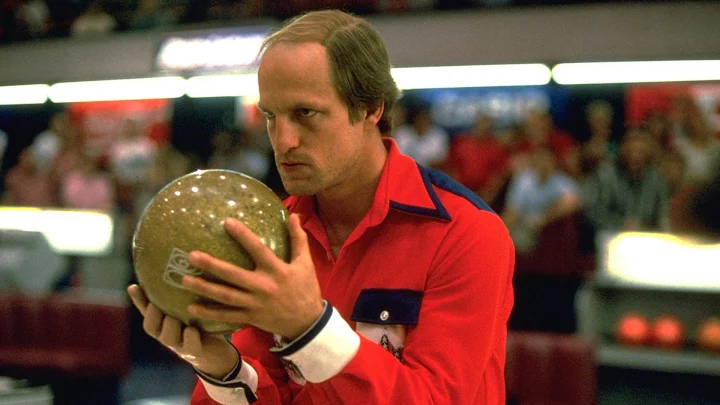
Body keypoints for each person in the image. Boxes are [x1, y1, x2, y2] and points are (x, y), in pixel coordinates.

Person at [128, 9, 514, 405]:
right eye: (270, 116)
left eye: (305, 114)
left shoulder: (465, 233)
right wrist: (222, 369)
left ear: (369, 108)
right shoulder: (275, 229)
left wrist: (310, 328)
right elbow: (270, 392)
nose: (283, 140)